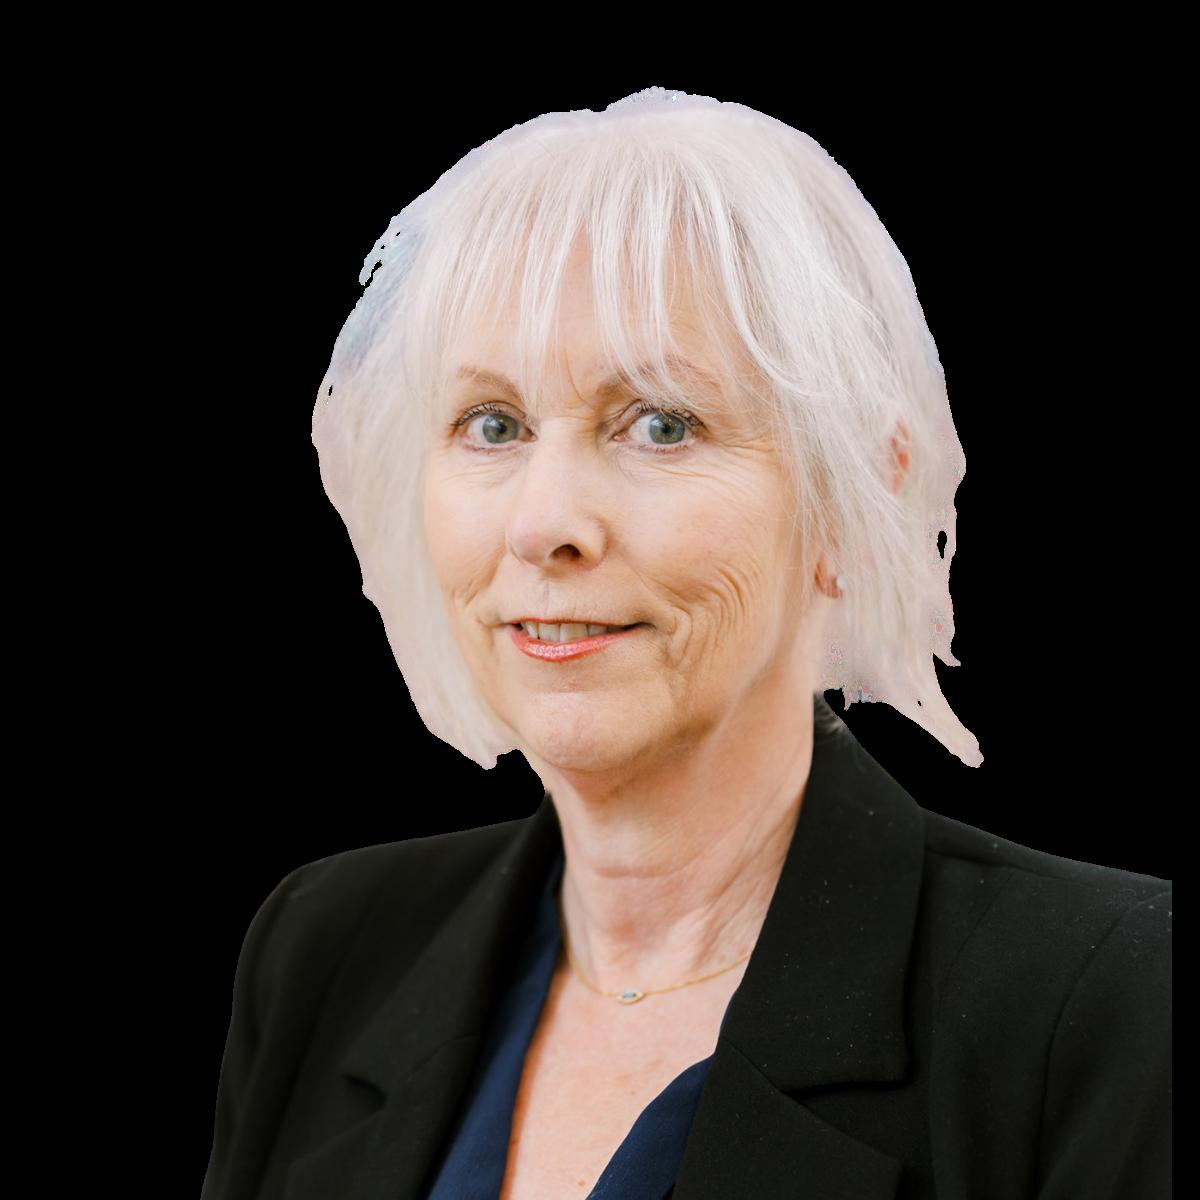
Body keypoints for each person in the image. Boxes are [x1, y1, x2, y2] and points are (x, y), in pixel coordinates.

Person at [202, 88, 1171, 1199]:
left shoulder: (1110, 1004)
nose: (543, 522)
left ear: (857, 496)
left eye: (661, 424)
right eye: (493, 425)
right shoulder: (324, 949)